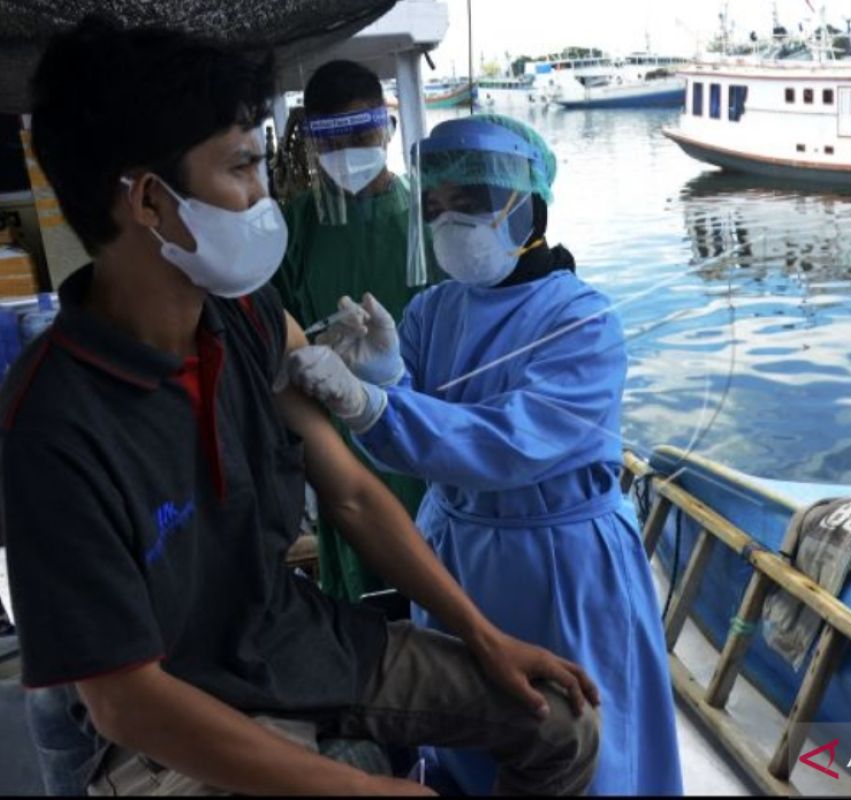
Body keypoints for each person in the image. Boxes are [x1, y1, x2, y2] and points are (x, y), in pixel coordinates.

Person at [2, 17, 599, 796]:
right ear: (149, 201)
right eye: (244, 167)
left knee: (561, 723)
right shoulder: (51, 424)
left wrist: (482, 636)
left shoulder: (248, 317)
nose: (264, 194)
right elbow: (125, 702)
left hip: (292, 642)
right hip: (170, 720)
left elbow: (349, 493)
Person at [287, 114, 683, 796]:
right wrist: (387, 380)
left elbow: (510, 445)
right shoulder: (431, 312)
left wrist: (375, 404)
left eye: (468, 204)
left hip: (561, 561)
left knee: (580, 729)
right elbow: (419, 447)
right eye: (435, 207)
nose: (448, 222)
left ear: (526, 204)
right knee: (467, 733)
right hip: (457, 552)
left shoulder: (581, 320)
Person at [271, 60, 439, 603]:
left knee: (435, 563)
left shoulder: (428, 219)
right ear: (312, 143)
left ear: (387, 128)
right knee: (363, 583)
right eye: (331, 138)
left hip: (428, 424)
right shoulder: (295, 227)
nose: (349, 149)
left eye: (361, 131)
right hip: (338, 434)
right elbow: (278, 331)